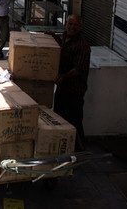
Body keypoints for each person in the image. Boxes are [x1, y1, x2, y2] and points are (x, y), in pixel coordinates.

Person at [48, 14, 90, 151]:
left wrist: (64, 76)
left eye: (75, 25)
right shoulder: (65, 37)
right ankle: (62, 148)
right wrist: (53, 37)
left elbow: (79, 68)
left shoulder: (82, 45)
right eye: (70, 24)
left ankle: (80, 151)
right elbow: (63, 50)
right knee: (59, 117)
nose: (72, 27)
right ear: (66, 23)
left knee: (74, 121)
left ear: (80, 27)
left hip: (74, 90)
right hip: (62, 87)